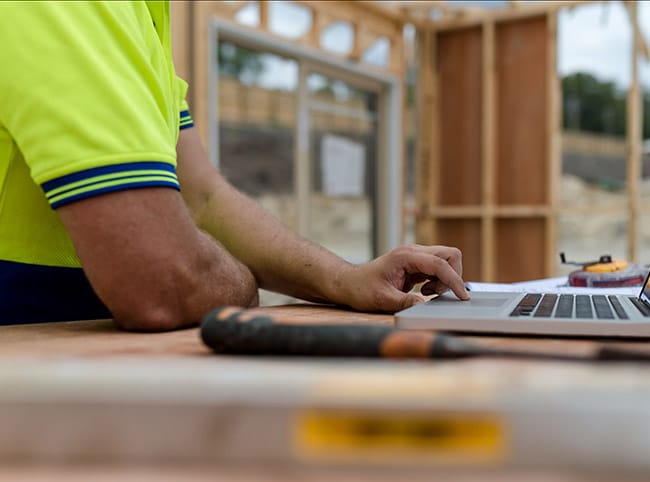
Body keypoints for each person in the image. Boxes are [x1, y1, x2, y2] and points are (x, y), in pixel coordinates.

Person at [0, 1, 468, 330]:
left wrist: (345, 279)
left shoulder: (141, 22)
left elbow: (204, 196)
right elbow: (166, 283)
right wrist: (240, 285)